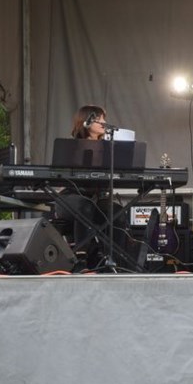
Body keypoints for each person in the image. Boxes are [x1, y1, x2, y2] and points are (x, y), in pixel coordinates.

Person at [55, 104, 130, 268]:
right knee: (85, 206)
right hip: (69, 199)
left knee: (118, 212)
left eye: (104, 119)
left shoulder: (108, 149)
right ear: (86, 122)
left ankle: (114, 259)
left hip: (95, 200)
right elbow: (60, 175)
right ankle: (81, 259)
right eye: (99, 119)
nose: (103, 122)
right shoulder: (72, 147)